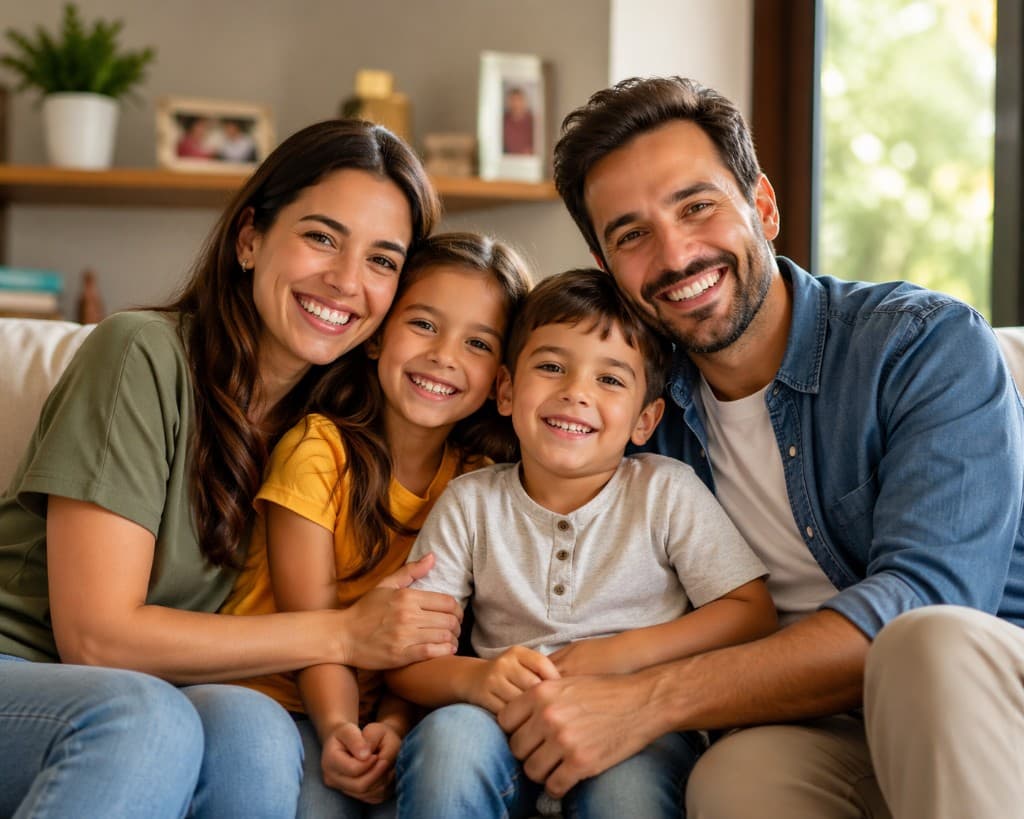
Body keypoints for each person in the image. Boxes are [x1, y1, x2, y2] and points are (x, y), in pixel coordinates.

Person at [495, 76, 1024, 819]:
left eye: (697, 206)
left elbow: (928, 600)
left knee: (923, 643)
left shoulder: (921, 345)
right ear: (609, 267)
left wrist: (648, 700)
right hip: (818, 721)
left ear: (764, 207)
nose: (675, 253)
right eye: (632, 234)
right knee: (737, 776)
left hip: (985, 701)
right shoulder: (636, 410)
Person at [0, 119, 462, 818]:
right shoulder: (140, 355)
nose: (345, 280)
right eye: (321, 237)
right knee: (144, 719)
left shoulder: (334, 429)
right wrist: (343, 630)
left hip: (160, 687)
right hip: (26, 670)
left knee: (249, 732)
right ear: (250, 238)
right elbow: (96, 635)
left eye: (382, 260)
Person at [388, 268, 776, 819]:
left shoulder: (665, 491)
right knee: (449, 742)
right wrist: (477, 677)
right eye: (550, 367)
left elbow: (751, 612)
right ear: (506, 390)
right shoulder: (469, 501)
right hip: (500, 724)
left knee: (627, 793)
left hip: (633, 725)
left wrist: (621, 654)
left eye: (610, 380)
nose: (575, 392)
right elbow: (407, 659)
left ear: (645, 420)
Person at [221, 231, 532, 818]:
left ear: (502, 381)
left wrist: (389, 724)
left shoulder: (480, 483)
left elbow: (439, 644)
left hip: (383, 712)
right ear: (376, 337)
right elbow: (312, 626)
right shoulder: (319, 451)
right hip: (271, 696)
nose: (444, 356)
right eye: (423, 325)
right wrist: (341, 725)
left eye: (477, 343)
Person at [502, 86, 535, 155]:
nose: (516, 104)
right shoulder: (503, 122)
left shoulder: (533, 121)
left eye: (519, 100)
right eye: (513, 100)